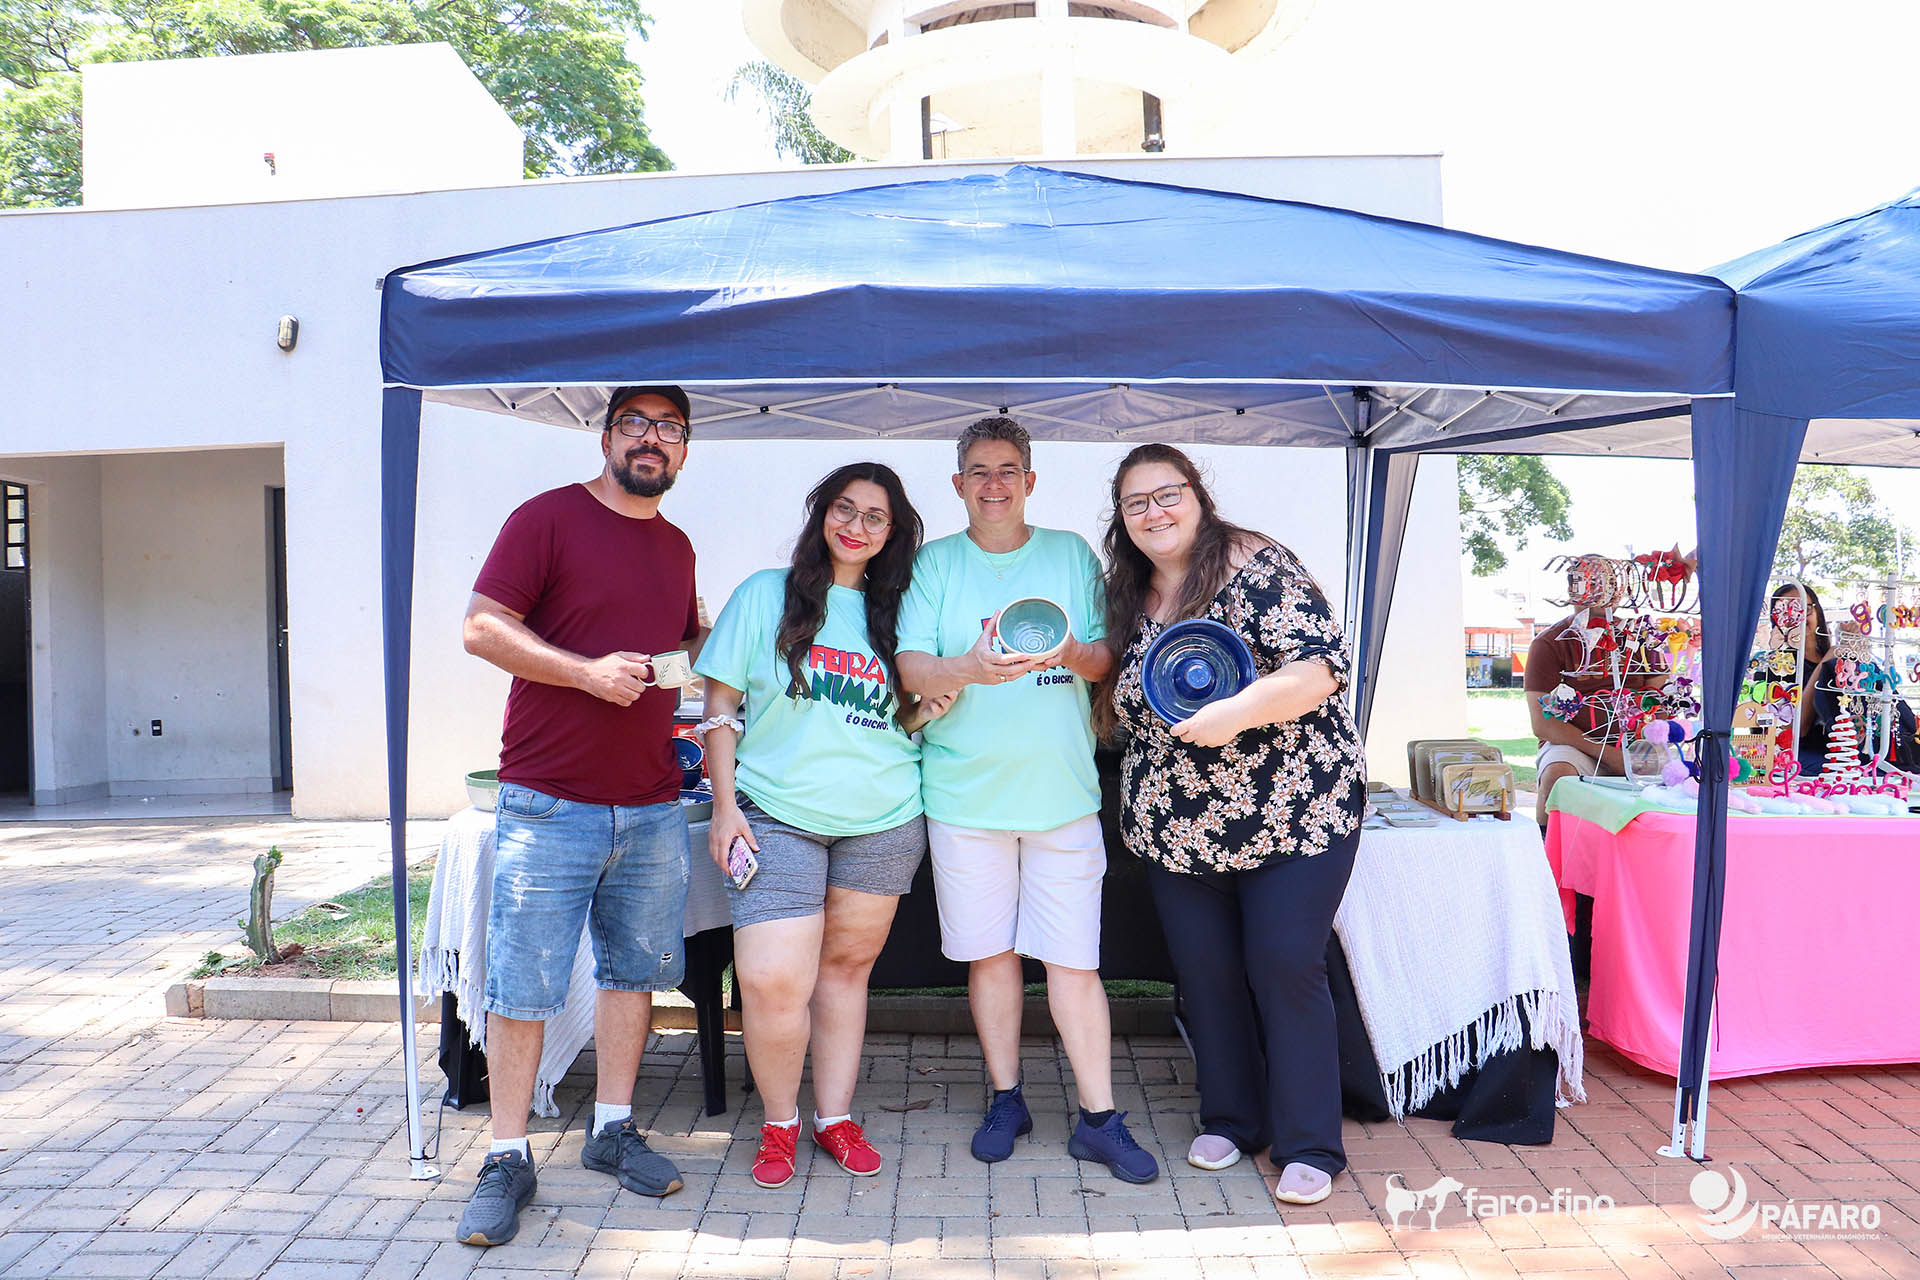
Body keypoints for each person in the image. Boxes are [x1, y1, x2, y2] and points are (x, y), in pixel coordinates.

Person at [455, 385, 705, 1247]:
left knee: (632, 976)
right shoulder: (547, 519)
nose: (651, 440)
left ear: (683, 450)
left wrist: (711, 650)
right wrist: (585, 672)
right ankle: (506, 1156)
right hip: (549, 799)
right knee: (522, 984)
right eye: (635, 424)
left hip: (652, 803)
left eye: (668, 429)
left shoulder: (676, 546)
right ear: (606, 437)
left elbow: (678, 654)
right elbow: (482, 629)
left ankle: (612, 1129)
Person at [1092, 443, 1366, 1207]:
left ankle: (1309, 1143)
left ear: (1197, 495)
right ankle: (1232, 1119)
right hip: (1177, 831)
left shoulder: (1256, 564)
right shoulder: (1128, 592)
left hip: (1293, 814)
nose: (1154, 512)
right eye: (1136, 502)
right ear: (1121, 518)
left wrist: (1238, 711)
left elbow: (1321, 667)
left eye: (1167, 494)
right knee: (1205, 973)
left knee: (1283, 963)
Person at [896, 416, 1158, 1183]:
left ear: (1030, 480)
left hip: (1061, 797)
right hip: (963, 797)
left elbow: (1106, 657)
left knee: (1074, 963)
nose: (994, 484)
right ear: (958, 484)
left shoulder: (1069, 553)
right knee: (991, 957)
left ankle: (1100, 1119)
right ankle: (1006, 1098)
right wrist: (969, 668)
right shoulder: (935, 563)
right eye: (979, 471)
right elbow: (909, 667)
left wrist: (1069, 652)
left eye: (1007, 469)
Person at [694, 463, 951, 1189]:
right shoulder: (765, 594)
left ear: (892, 533)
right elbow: (720, 707)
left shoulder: (899, 613)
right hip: (776, 815)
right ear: (821, 513)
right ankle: (780, 1124)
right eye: (845, 508)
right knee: (772, 980)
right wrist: (724, 806)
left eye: (875, 517)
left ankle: (835, 1117)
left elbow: (893, 718)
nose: (856, 526)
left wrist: (925, 711)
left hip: (885, 818)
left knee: (844, 974)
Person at [1523, 556, 1671, 825]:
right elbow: (1543, 724)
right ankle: (1547, 844)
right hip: (1575, 747)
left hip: (1636, 743)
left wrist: (1638, 750)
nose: (1602, 593)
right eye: (1592, 584)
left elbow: (1659, 698)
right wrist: (1609, 755)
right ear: (1573, 590)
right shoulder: (1549, 643)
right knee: (1558, 775)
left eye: (1609, 584)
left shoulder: (1642, 636)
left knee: (1675, 783)